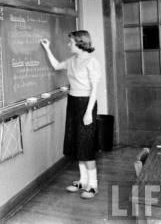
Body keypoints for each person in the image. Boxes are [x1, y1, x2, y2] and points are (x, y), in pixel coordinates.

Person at [40, 30, 101, 199]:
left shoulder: (92, 62)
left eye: (71, 42)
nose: (68, 45)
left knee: (86, 144)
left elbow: (94, 90)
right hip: (73, 103)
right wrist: (47, 48)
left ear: (80, 43)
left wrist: (89, 112)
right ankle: (83, 180)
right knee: (77, 142)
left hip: (85, 104)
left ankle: (93, 185)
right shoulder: (72, 60)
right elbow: (56, 66)